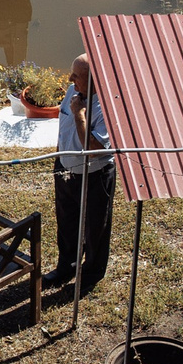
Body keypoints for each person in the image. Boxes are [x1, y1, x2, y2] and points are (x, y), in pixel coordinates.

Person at [52, 53, 115, 294]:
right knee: (66, 220)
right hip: (66, 168)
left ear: (94, 80)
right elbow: (63, 124)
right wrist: (59, 158)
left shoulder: (108, 108)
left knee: (95, 226)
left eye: (77, 76)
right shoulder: (73, 91)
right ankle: (66, 267)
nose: (70, 79)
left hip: (95, 174)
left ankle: (90, 275)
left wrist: (80, 114)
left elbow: (92, 150)